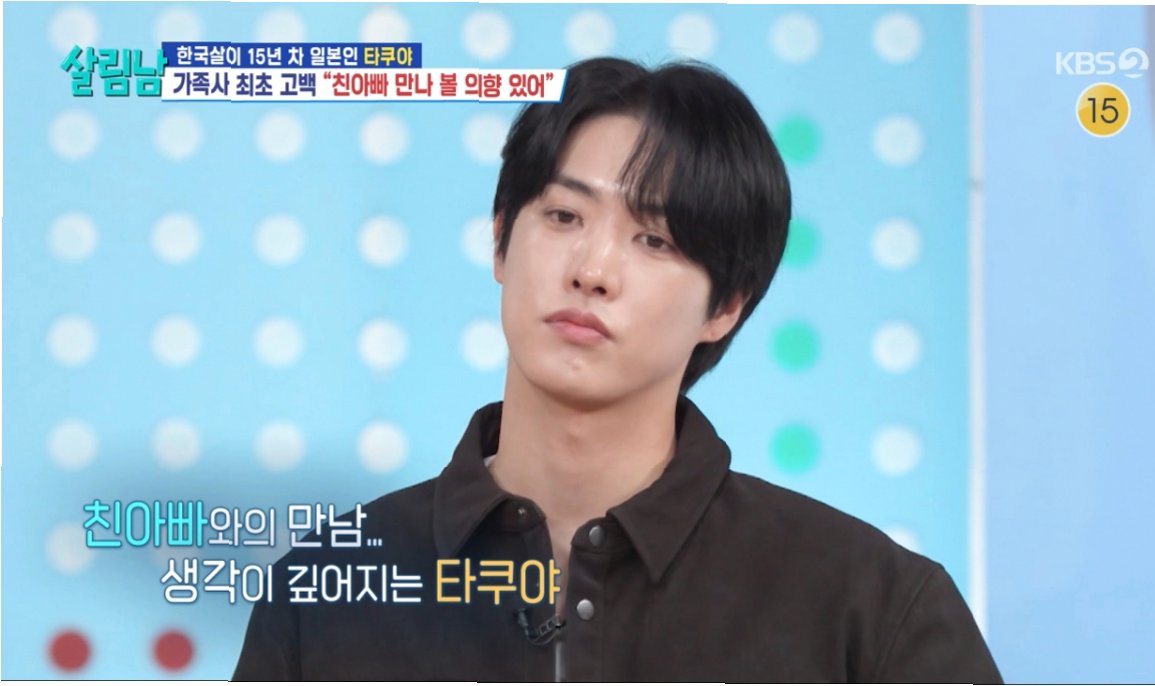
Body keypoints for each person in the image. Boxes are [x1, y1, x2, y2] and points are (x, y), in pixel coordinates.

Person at [233, 56, 1003, 682]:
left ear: (725, 306)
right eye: (563, 216)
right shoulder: (325, 592)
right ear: (500, 241)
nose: (593, 270)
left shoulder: (869, 606)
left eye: (655, 240)